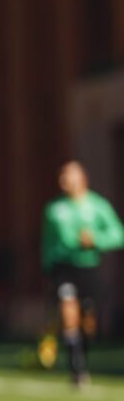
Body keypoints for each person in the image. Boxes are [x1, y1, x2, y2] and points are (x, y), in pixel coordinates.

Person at [41, 160, 124, 387]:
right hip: (63, 269)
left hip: (88, 266)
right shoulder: (54, 209)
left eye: (70, 175)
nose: (65, 180)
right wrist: (47, 269)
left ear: (83, 178)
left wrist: (96, 239)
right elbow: (47, 243)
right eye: (62, 176)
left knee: (88, 322)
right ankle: (77, 369)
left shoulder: (98, 206)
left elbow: (118, 234)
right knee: (69, 313)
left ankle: (83, 355)